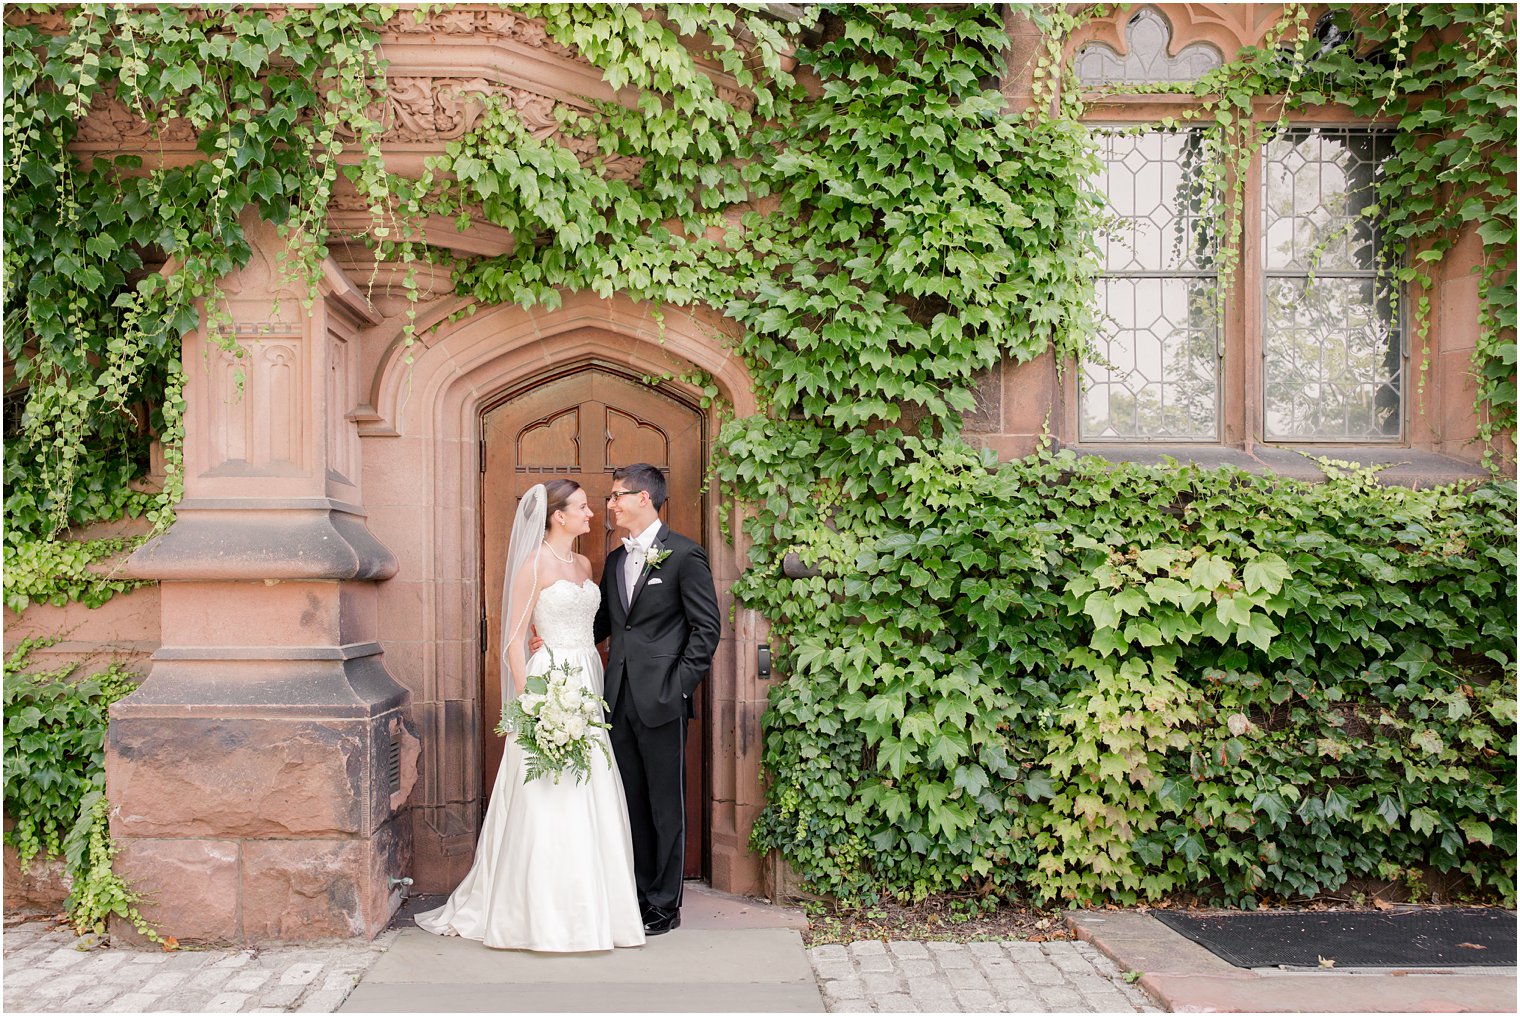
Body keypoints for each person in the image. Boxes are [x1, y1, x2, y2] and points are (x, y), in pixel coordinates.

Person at [415, 480, 644, 952]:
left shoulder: (583, 564)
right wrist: (534, 703)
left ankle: (598, 908)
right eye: (581, 507)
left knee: (592, 787)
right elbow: (512, 642)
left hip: (587, 678)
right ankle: (539, 912)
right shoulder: (532, 564)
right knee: (548, 794)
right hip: (550, 682)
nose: (590, 513)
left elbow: (591, 625)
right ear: (558, 515)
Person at [594, 463, 721, 935]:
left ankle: (665, 906)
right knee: (630, 803)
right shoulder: (613, 561)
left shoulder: (685, 555)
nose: (611, 504)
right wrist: (561, 639)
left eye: (616, 496)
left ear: (644, 498)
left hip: (663, 700)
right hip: (618, 701)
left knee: (666, 805)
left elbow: (707, 631)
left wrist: (678, 685)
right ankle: (639, 895)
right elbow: (609, 624)